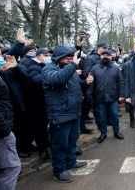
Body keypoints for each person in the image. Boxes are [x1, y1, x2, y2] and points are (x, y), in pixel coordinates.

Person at [42, 46, 92, 183]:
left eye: (72, 58)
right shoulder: (49, 69)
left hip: (73, 112)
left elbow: (75, 85)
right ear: (59, 57)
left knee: (72, 139)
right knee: (60, 143)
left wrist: (85, 83)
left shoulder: (68, 68)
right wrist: (73, 65)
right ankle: (59, 170)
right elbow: (58, 79)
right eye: (68, 58)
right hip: (60, 114)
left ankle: (71, 161)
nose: (71, 60)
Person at [86, 50, 125, 143]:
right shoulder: (95, 68)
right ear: (100, 56)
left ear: (111, 57)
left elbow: (121, 82)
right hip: (100, 97)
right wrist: (89, 96)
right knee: (101, 116)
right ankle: (103, 133)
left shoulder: (115, 68)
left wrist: (121, 95)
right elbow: (91, 83)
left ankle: (116, 132)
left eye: (107, 55)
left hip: (113, 96)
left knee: (115, 115)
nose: (105, 57)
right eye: (103, 55)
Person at [0, 49, 21, 190]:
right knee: (11, 167)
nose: (1, 58)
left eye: (0, 54)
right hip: (0, 132)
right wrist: (5, 130)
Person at [27, 48, 53, 162]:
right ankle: (42, 150)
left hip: (50, 101)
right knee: (40, 127)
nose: (48, 57)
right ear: (38, 56)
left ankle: (49, 143)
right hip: (39, 103)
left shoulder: (48, 66)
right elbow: (39, 81)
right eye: (45, 55)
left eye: (49, 55)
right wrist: (54, 75)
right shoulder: (33, 67)